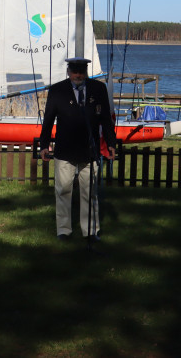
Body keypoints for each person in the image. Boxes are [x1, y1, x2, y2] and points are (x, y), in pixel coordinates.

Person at [39, 57, 116, 242]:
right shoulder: (57, 90)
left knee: (90, 193)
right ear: (68, 72)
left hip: (90, 150)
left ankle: (91, 231)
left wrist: (111, 143)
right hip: (65, 150)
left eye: (81, 72)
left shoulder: (98, 89)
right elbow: (48, 120)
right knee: (63, 191)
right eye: (74, 71)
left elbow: (106, 119)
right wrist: (44, 144)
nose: (78, 75)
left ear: (86, 72)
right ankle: (63, 231)